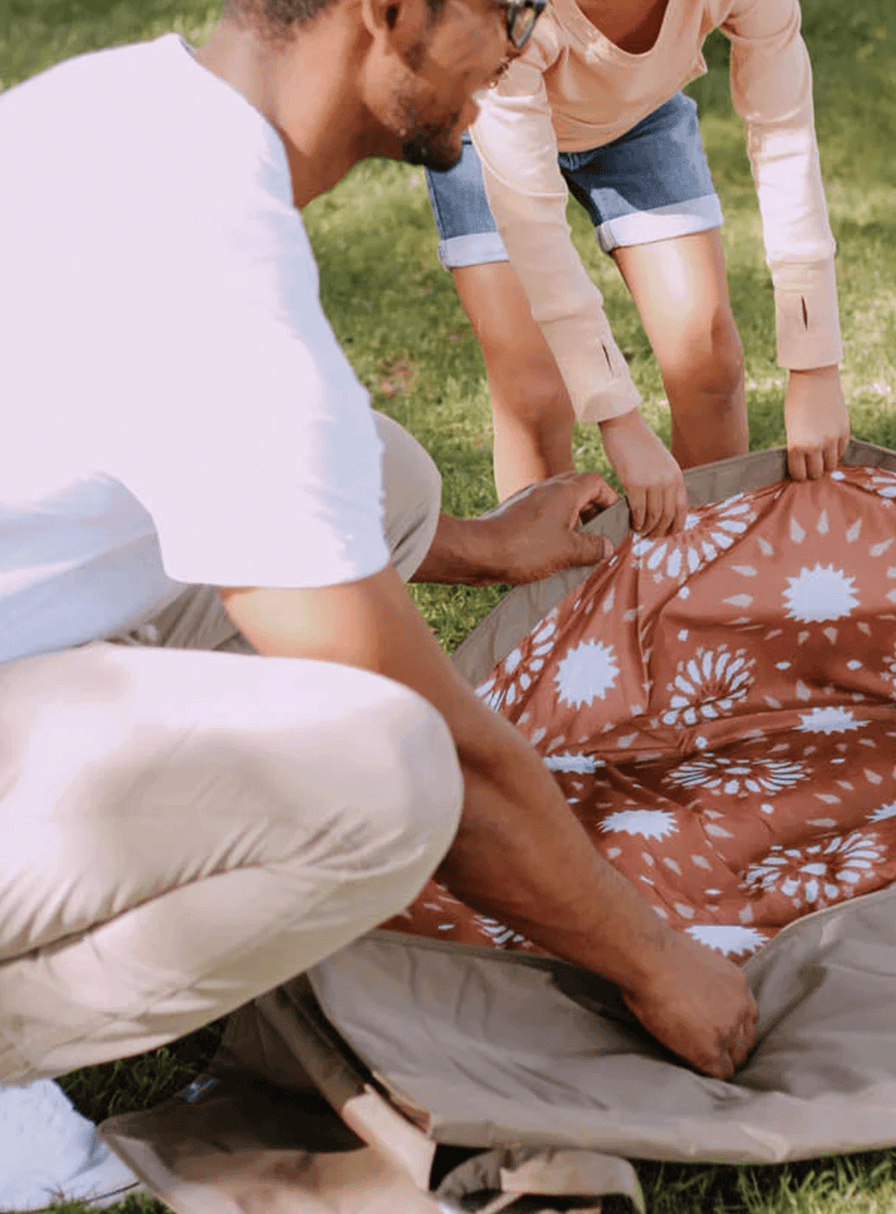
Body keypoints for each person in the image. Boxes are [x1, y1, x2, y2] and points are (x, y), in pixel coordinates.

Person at [0, 0, 756, 1206]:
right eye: (508, 11)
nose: (524, 44)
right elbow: (437, 735)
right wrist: (658, 959)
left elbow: (222, 485)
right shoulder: (200, 249)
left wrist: (476, 546)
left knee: (384, 473)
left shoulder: (129, 112)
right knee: (388, 774)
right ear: (389, 13)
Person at [424, 0, 849, 537]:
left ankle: (698, 584)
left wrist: (815, 367)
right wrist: (617, 417)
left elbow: (784, 135)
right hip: (482, 114)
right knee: (534, 388)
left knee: (707, 360)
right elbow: (530, 218)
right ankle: (550, 609)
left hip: (635, 115)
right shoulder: (510, 17)